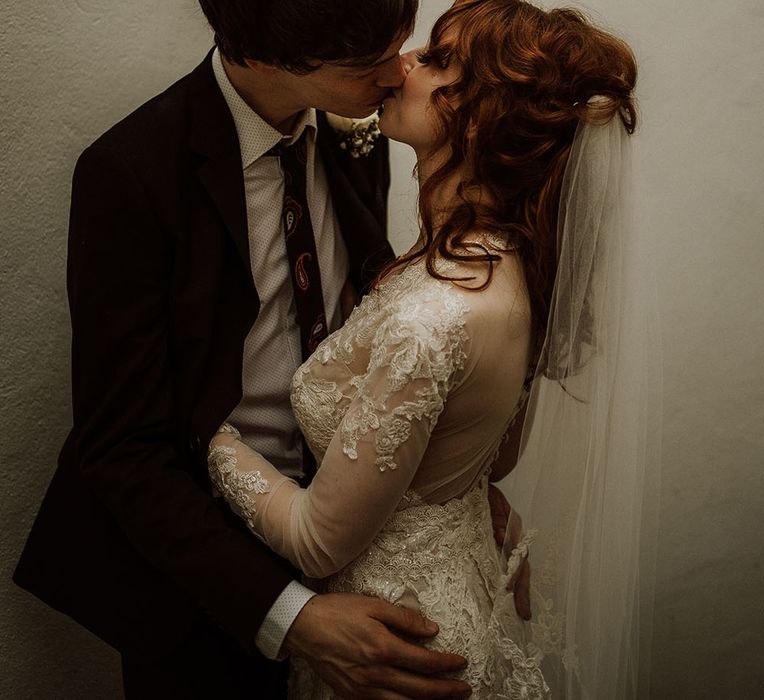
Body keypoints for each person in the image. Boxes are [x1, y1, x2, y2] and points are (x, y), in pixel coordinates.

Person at [13, 1, 485, 698]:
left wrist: (464, 493)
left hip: (354, 540)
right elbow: (120, 449)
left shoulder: (363, 130)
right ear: (264, 58)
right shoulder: (131, 174)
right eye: (365, 64)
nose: (397, 75)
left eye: (398, 45)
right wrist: (290, 617)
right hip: (200, 588)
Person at [206, 0, 660, 698]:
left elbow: (319, 541)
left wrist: (209, 439)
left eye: (438, 58)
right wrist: (449, 493)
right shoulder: (515, 268)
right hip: (451, 606)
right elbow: (492, 459)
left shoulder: (432, 316)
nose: (404, 64)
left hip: (389, 651)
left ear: (480, 117)